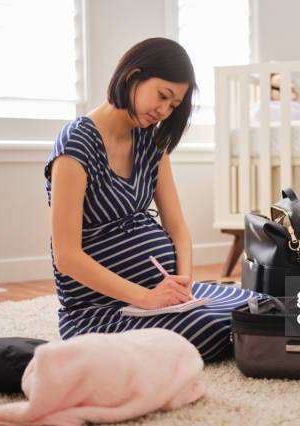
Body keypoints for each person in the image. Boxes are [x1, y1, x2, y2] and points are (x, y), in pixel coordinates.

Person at [43, 37, 261, 362]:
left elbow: (178, 229)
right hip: (102, 307)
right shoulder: (75, 145)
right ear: (133, 76)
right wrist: (145, 298)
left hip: (164, 296)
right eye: (162, 96)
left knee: (260, 305)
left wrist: (183, 284)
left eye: (173, 105)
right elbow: (67, 256)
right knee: (208, 328)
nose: (163, 110)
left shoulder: (151, 141)